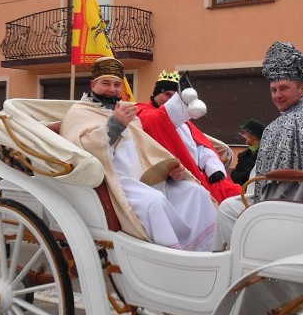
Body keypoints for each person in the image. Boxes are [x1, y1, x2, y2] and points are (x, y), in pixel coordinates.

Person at [59, 56, 217, 251]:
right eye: (106, 83)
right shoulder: (79, 112)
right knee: (154, 203)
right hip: (114, 180)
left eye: (117, 85)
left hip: (144, 176)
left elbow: (146, 149)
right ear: (93, 84)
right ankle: (171, 255)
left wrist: (169, 170)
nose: (112, 89)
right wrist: (114, 125)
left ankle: (205, 251)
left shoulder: (128, 111)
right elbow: (82, 149)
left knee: (197, 192)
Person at [214, 42, 303, 250]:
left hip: (292, 202)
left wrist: (260, 199)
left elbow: (267, 183)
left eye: (284, 88)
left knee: (227, 208)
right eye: (273, 90)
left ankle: (237, 260)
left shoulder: (285, 123)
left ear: (302, 89)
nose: (277, 95)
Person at [136, 70, 242, 203]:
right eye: (167, 94)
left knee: (237, 197)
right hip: (175, 182)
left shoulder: (185, 122)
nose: (170, 99)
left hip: (204, 176)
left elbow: (202, 146)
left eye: (174, 96)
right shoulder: (143, 111)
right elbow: (156, 121)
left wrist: (214, 170)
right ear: (156, 94)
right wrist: (179, 100)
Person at [230, 119, 265, 185]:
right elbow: (234, 175)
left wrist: (243, 176)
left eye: (246, 133)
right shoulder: (243, 156)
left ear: (254, 136)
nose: (243, 136)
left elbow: (259, 175)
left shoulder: (265, 154)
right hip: (244, 192)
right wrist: (247, 176)